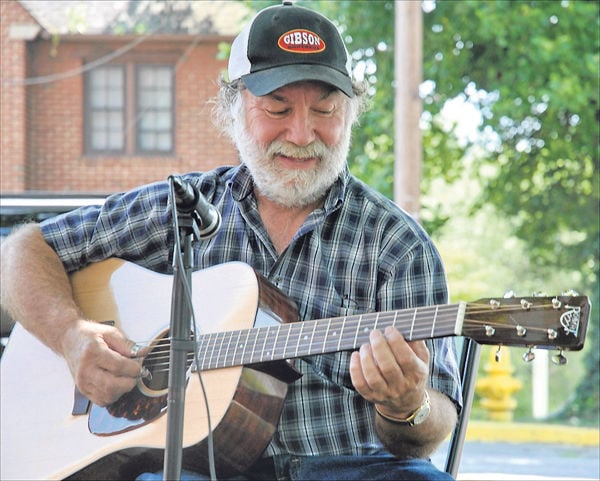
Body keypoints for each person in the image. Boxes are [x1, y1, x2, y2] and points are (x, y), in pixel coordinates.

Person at [1, 2, 461, 480]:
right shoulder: (180, 209)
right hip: (198, 467)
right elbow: (23, 249)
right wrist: (72, 337)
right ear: (233, 109)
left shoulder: (398, 245)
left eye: (325, 109)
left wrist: (407, 406)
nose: (302, 134)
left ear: (350, 112)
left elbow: (433, 426)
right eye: (277, 108)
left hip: (348, 467)